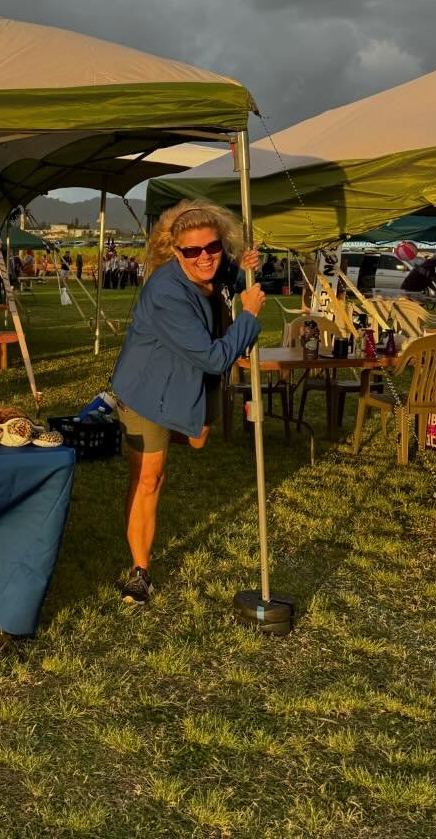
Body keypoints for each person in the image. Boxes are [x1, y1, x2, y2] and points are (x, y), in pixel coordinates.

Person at [109, 200, 263, 603]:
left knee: (197, 439)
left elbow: (227, 273)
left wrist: (245, 264)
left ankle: (166, 436)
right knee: (149, 477)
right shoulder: (165, 293)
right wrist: (247, 317)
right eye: (192, 251)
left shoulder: (216, 266)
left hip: (185, 383)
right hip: (147, 390)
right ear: (175, 253)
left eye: (211, 247)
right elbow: (215, 356)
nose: (204, 257)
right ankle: (140, 571)